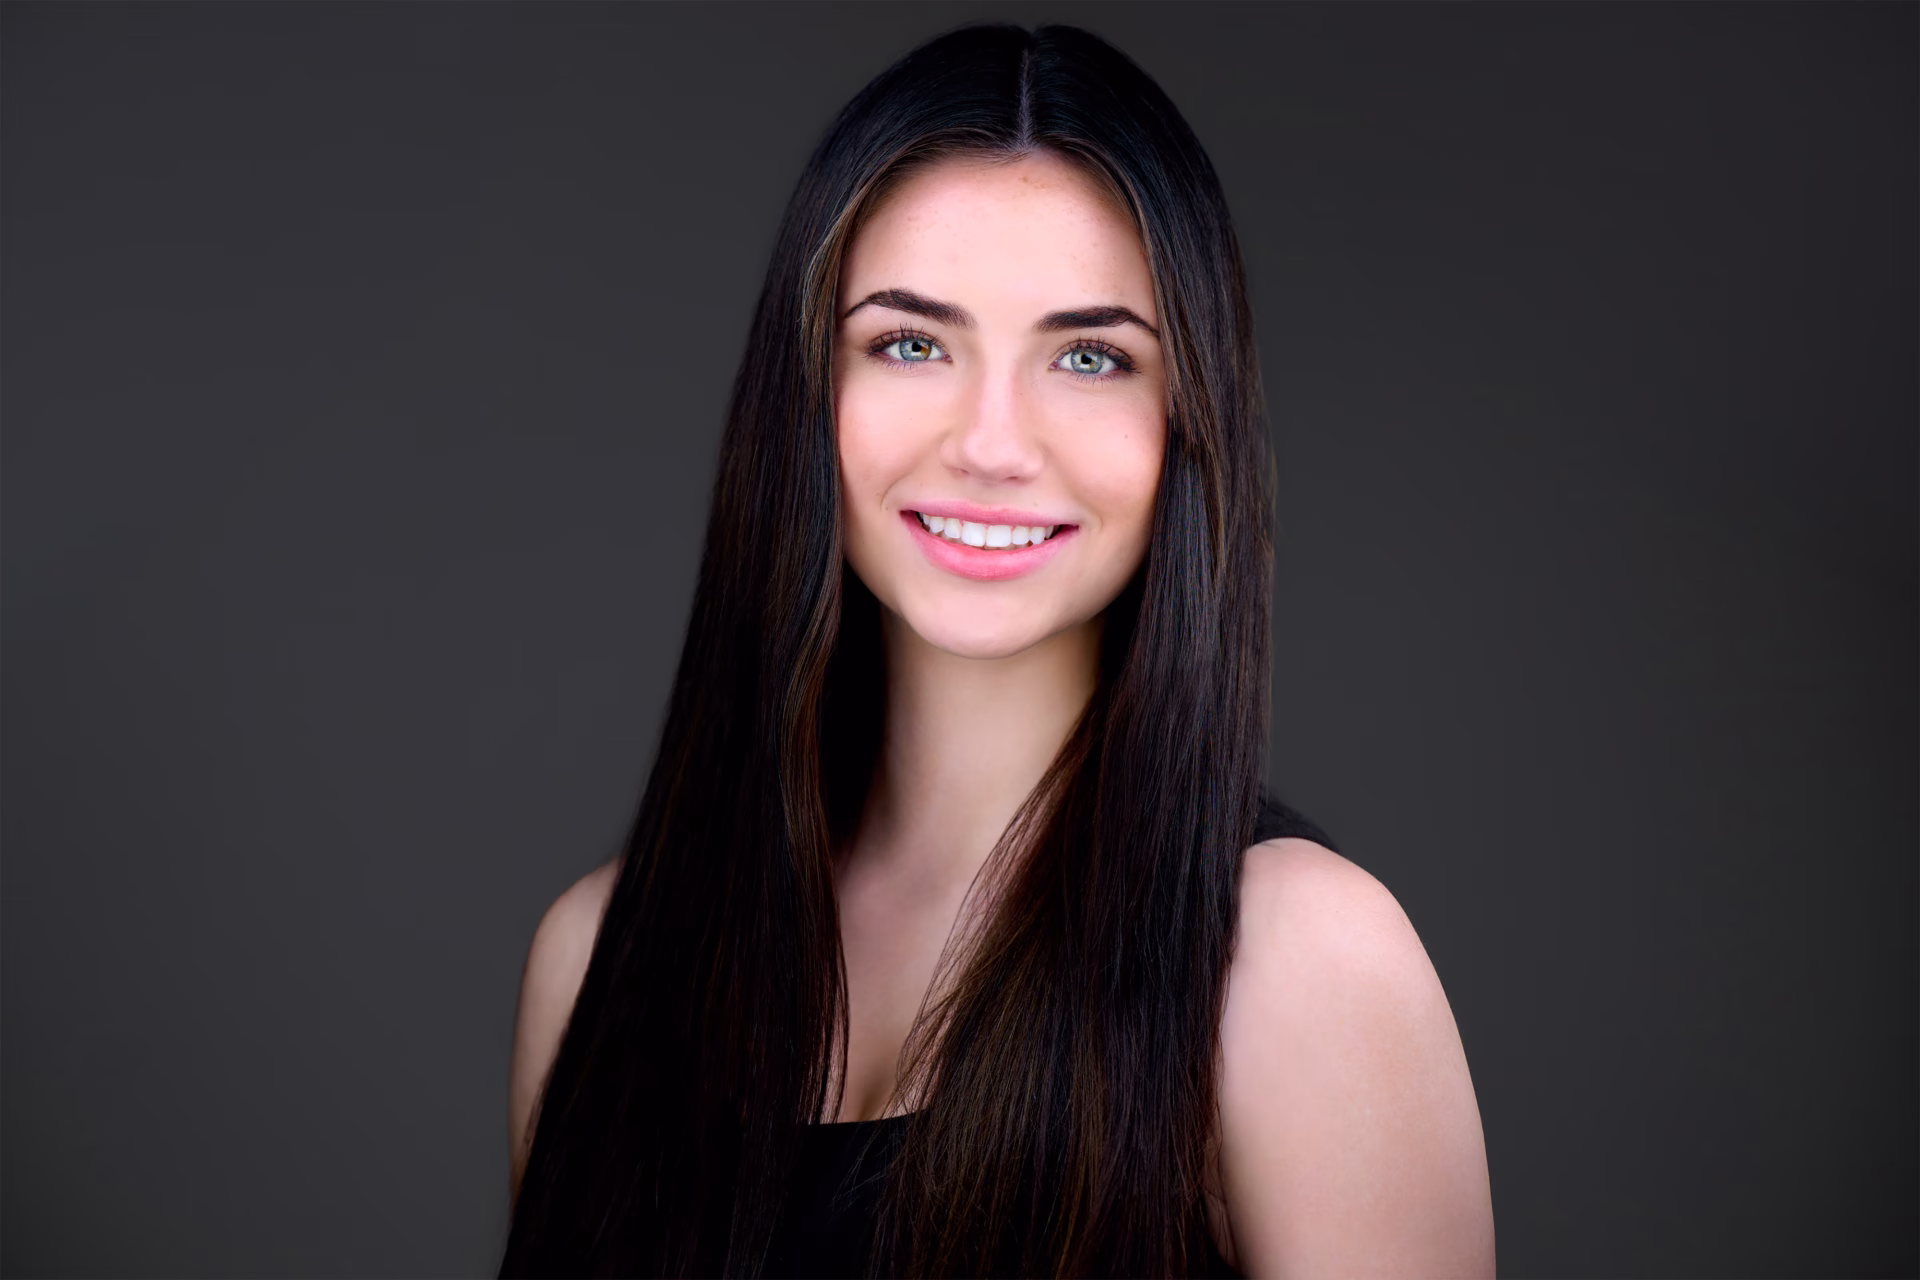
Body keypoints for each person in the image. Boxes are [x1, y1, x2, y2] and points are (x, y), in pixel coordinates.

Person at [500, 22, 1493, 1279]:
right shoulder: (602, 956)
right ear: (806, 388)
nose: (992, 443)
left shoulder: (1301, 960)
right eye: (912, 342)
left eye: (1090, 357)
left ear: (1188, 417)